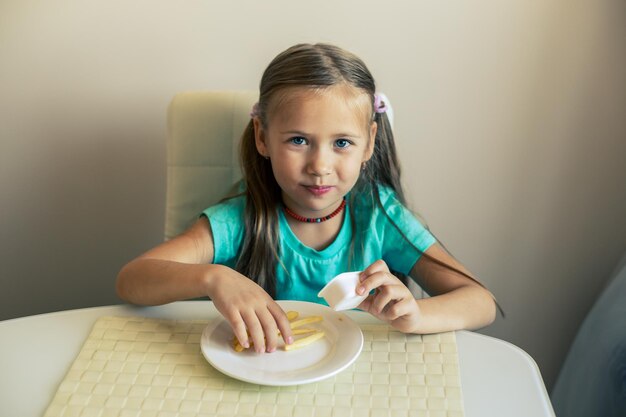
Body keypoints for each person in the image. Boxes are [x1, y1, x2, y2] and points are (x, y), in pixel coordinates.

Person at [116, 43, 497, 354]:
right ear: (262, 137)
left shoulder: (381, 217)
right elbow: (131, 281)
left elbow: (480, 301)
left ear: (370, 144)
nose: (320, 166)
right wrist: (213, 277)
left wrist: (415, 315)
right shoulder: (239, 219)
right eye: (298, 140)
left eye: (342, 143)